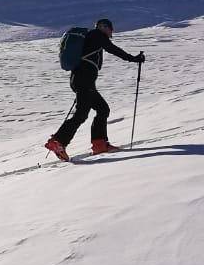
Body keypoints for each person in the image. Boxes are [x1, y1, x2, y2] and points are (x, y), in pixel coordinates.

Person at [46, 19, 144, 160]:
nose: (111, 33)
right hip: (84, 80)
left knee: (102, 109)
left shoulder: (91, 37)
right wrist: (133, 59)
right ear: (105, 28)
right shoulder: (97, 36)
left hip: (82, 80)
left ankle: (100, 144)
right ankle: (58, 142)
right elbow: (113, 49)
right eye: (111, 29)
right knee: (81, 113)